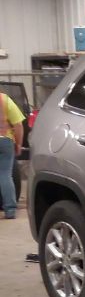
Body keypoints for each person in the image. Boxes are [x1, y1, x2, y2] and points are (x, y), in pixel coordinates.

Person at [0, 91, 25, 219]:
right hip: (5, 140)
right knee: (5, 175)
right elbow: (18, 124)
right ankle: (9, 210)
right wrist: (19, 144)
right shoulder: (4, 100)